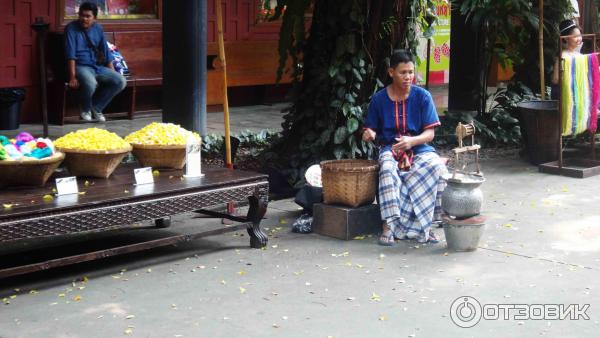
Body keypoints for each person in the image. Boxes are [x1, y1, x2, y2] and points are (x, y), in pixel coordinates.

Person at [362, 49, 447, 246]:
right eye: (403, 72)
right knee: (387, 170)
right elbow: (370, 129)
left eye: (411, 72)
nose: (408, 77)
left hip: (419, 148)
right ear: (391, 72)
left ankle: (427, 226)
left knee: (437, 167)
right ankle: (388, 226)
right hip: (390, 150)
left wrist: (411, 141)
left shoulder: (423, 96)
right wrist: (370, 134)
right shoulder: (379, 99)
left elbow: (430, 134)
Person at [64, 2, 126, 122]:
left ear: (94, 18)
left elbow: (106, 51)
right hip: (80, 66)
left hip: (96, 66)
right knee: (91, 83)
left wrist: (112, 72)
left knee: (120, 81)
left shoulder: (98, 28)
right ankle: (85, 110)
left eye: (88, 16)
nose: (84, 19)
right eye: (81, 15)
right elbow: (70, 54)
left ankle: (96, 107)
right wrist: (72, 77)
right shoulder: (71, 28)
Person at [551, 19, 583, 100]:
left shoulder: (579, 55)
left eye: (580, 35)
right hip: (565, 94)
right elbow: (555, 79)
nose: (579, 38)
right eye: (575, 36)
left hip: (577, 90)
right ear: (565, 39)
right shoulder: (562, 56)